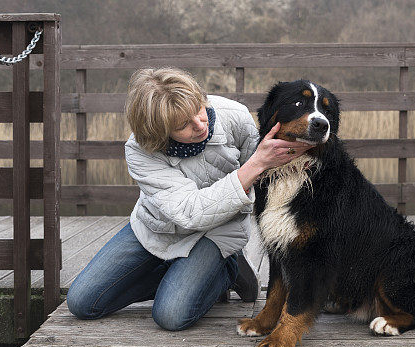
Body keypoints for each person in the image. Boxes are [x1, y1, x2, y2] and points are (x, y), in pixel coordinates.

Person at [65, 68, 312, 331]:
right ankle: (187, 277)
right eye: (182, 125)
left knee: (170, 316)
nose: (200, 124)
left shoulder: (235, 116)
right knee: (82, 302)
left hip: (218, 232)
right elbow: (189, 211)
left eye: (198, 109)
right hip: (158, 230)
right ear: (156, 132)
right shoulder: (139, 150)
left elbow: (267, 178)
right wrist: (254, 166)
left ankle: (226, 270)